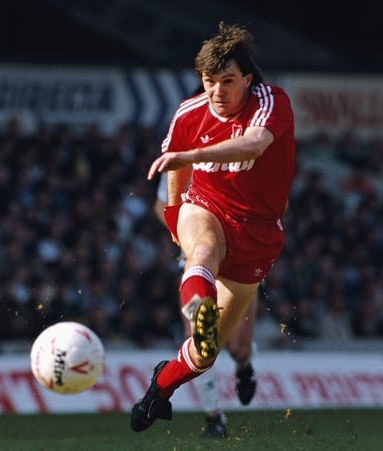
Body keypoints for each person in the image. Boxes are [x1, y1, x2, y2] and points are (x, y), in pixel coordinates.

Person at [131, 22, 295, 432]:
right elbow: (176, 171)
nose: (217, 91)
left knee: (209, 353)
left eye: (227, 81)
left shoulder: (271, 102)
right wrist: (174, 217)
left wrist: (192, 153)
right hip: (206, 208)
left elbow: (255, 144)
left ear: (248, 80)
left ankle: (160, 388)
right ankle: (197, 309)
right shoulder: (189, 112)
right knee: (200, 251)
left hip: (257, 235)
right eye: (209, 81)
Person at [153, 173, 258, 438]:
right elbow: (161, 203)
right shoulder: (181, 156)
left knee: (238, 347)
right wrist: (185, 230)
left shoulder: (243, 151)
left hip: (239, 258)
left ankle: (244, 366)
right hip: (199, 257)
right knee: (199, 340)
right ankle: (214, 418)